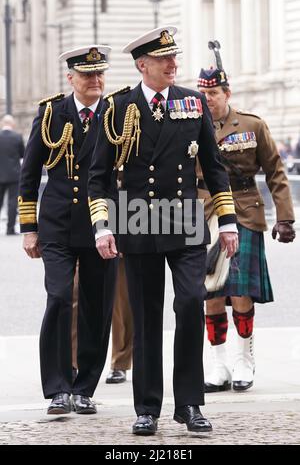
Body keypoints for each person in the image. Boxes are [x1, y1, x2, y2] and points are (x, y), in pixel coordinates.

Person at [88, 26, 238, 436]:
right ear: (143, 65)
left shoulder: (192, 102)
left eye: (174, 58)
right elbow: (97, 175)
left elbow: (213, 165)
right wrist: (102, 225)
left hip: (185, 217)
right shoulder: (117, 107)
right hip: (136, 219)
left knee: (190, 302)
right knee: (147, 314)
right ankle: (148, 407)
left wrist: (226, 220)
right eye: (164, 60)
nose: (174, 65)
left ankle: (189, 403)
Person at [18, 45, 117, 415]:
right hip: (57, 223)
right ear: (70, 78)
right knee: (59, 297)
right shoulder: (50, 114)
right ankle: (58, 387)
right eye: (88, 75)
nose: (95, 81)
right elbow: (28, 177)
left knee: (98, 304)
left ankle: (85, 386)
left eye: (99, 74)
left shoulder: (116, 112)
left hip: (102, 224)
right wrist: (29, 228)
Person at [197, 41, 296, 393]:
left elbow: (276, 172)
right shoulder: (190, 126)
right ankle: (218, 362)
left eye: (214, 93)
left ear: (227, 93)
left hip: (243, 211)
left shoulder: (252, 125)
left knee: (240, 292)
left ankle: (244, 358)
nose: (208, 99)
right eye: (203, 93)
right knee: (208, 293)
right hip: (203, 214)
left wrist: (285, 217)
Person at [105, 257, 133, 384]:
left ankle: (120, 362)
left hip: (118, 240)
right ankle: (71, 363)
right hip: (81, 239)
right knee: (74, 293)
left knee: (121, 302)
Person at [0, 115, 25, 235]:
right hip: (14, 174)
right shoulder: (17, 137)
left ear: (2, 124)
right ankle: (10, 228)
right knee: (12, 202)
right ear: (12, 124)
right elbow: (22, 155)